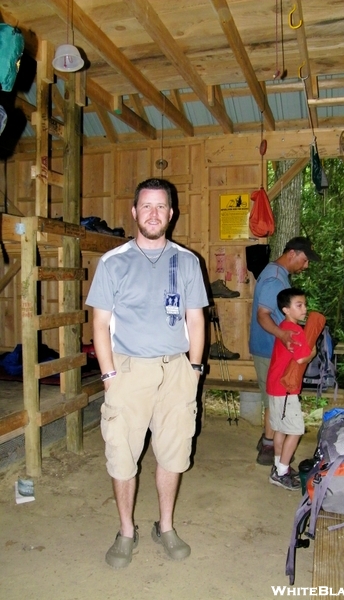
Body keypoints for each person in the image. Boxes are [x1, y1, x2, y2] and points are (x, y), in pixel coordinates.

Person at [86, 178, 209, 569]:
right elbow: (100, 324)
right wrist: (109, 376)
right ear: (135, 212)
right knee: (122, 456)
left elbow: (196, 318)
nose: (154, 213)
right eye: (147, 206)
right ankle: (126, 531)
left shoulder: (188, 262)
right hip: (128, 371)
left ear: (171, 215)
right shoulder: (113, 262)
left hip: (176, 370)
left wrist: (193, 369)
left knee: (173, 455)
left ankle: (166, 526)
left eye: (161, 207)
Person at [249, 237, 320, 466]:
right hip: (268, 348)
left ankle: (268, 441)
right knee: (274, 401)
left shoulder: (277, 274)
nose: (306, 266)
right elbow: (263, 314)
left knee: (274, 399)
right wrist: (282, 335)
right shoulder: (274, 279)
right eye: (305, 259)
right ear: (292, 253)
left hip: (272, 347)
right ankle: (270, 448)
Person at [267, 287, 316, 490]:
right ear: (286, 309)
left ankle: (279, 466)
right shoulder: (295, 330)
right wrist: (313, 351)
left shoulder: (284, 326)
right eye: (299, 305)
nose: (304, 309)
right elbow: (303, 357)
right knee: (295, 430)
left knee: (280, 429)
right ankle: (282, 472)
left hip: (275, 385)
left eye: (304, 304)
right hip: (286, 388)